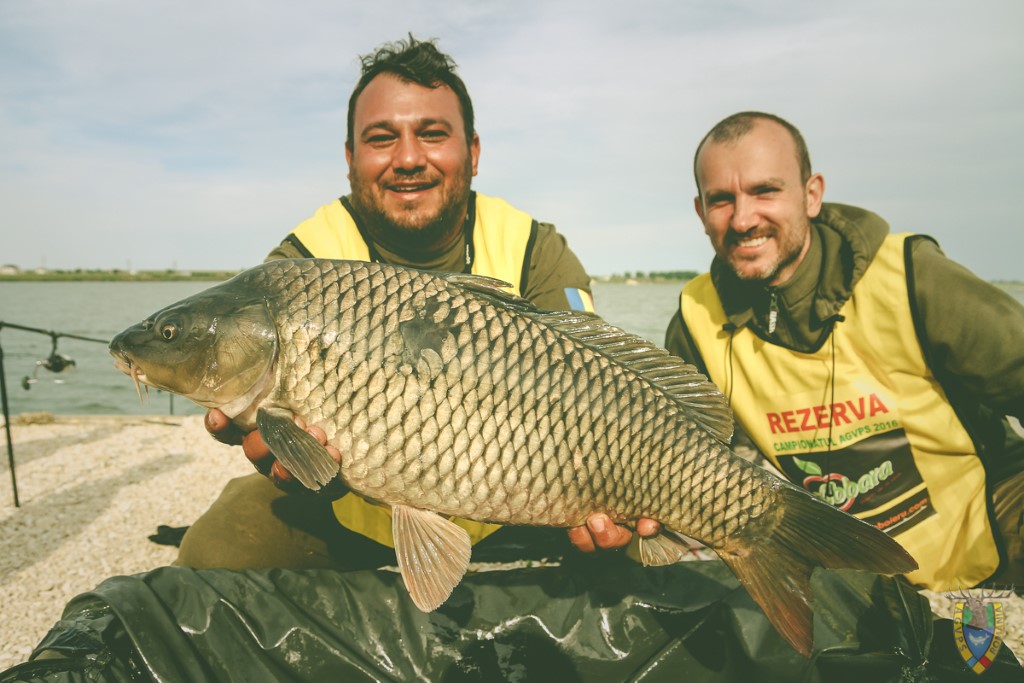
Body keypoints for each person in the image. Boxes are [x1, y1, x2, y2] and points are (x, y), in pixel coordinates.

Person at [178, 34, 652, 572]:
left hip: (526, 513)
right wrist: (296, 463)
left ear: (473, 152)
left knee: (641, 552)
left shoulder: (532, 248)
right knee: (214, 553)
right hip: (352, 514)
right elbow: (279, 436)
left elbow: (605, 397)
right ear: (350, 157)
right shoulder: (299, 265)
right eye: (382, 138)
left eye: (432, 134)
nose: (407, 158)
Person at [666, 110, 1024, 591]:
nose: (744, 218)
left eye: (765, 191)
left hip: (995, 521)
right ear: (700, 212)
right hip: (850, 562)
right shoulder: (694, 322)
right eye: (722, 200)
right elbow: (677, 468)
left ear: (812, 194)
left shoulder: (911, 274)